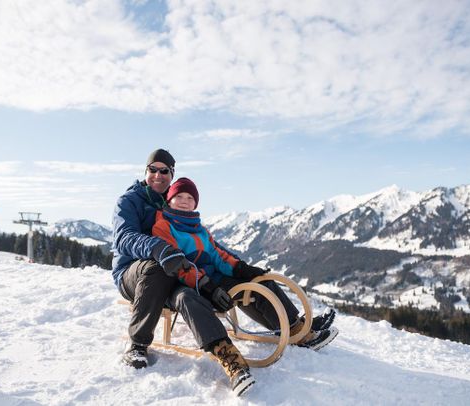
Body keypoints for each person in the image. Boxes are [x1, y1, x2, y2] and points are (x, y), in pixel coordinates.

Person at [111, 149, 255, 396]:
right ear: (145, 172)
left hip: (175, 272)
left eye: (164, 170)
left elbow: (202, 241)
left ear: (171, 174)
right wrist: (158, 248)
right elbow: (124, 237)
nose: (158, 175)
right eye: (152, 169)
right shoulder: (129, 201)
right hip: (133, 273)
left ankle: (230, 359)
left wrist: (229, 271)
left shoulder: (174, 200)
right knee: (156, 268)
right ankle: (138, 344)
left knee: (187, 296)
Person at [152, 177, 338, 353]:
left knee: (262, 282)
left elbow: (218, 256)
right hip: (195, 286)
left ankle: (296, 326)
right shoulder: (163, 227)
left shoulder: (200, 229)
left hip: (215, 280)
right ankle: (299, 334)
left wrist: (241, 268)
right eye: (179, 196)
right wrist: (207, 285)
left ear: (195, 203)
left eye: (190, 197)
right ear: (169, 200)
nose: (184, 201)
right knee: (257, 291)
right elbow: (178, 265)